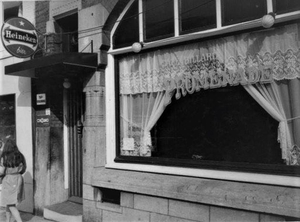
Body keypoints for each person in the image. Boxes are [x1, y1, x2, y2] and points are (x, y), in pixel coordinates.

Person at [0, 139, 26, 222]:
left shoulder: (5, 157)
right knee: (9, 202)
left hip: (9, 180)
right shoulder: (20, 156)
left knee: (11, 205)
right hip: (18, 178)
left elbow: (1, 171)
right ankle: (7, 220)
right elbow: (23, 169)